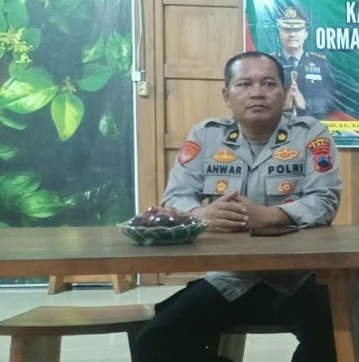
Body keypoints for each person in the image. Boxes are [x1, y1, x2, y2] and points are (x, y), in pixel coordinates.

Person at [133, 51, 342, 362]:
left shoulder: (311, 134)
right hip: (230, 277)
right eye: (244, 84)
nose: (257, 92)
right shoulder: (207, 135)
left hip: (298, 276)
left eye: (268, 83)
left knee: (335, 336)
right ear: (226, 95)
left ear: (285, 93)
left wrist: (272, 216)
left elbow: (325, 199)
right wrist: (202, 215)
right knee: (155, 340)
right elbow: (175, 198)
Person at [272, 5, 336, 119]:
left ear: (306, 34)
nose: (292, 34)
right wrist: (282, 105)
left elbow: (331, 99)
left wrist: (305, 104)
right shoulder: (269, 63)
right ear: (279, 33)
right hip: (276, 124)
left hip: (311, 124)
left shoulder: (320, 64)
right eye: (287, 30)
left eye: (297, 30)